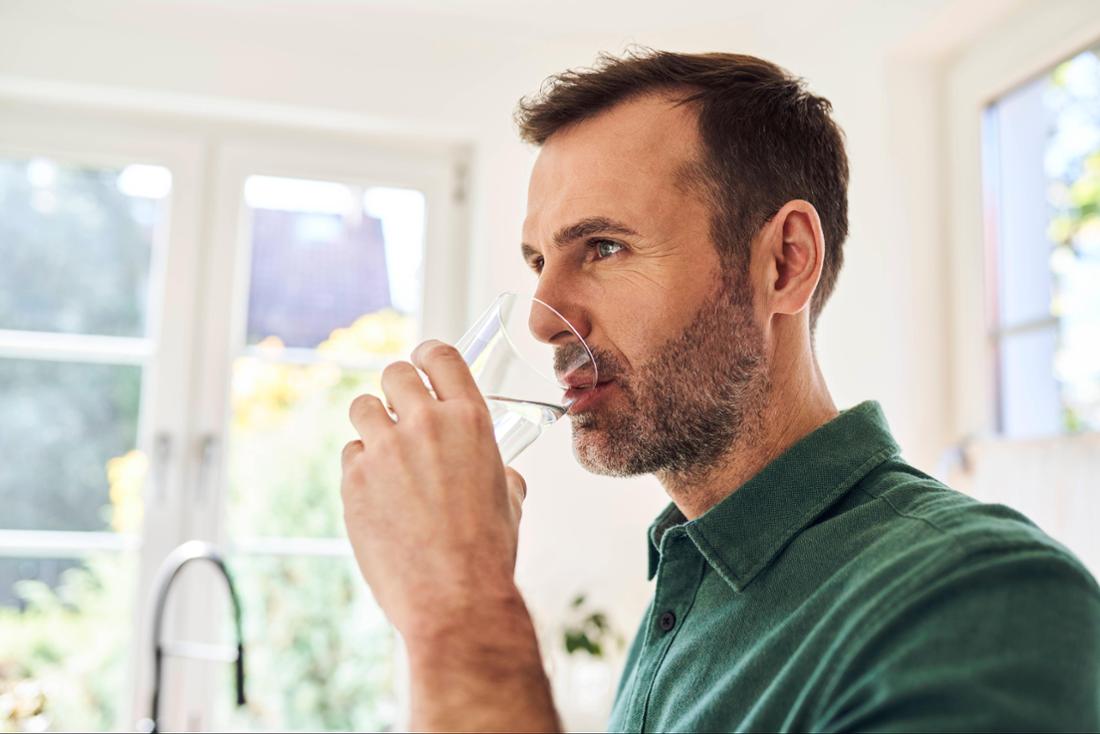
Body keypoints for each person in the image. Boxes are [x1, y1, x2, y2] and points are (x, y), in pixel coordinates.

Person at [339, 49, 1100, 732]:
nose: (547, 321)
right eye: (539, 262)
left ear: (784, 263)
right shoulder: (687, 587)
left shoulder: (980, 598)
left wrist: (463, 613)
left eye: (603, 247)